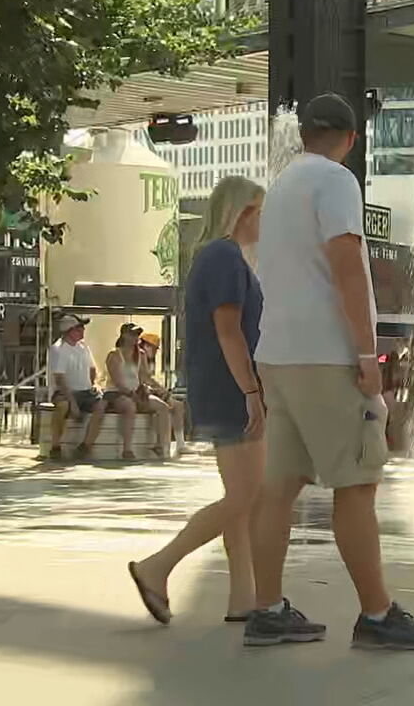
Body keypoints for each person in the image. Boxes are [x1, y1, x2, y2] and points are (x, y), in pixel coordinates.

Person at [246, 93, 414, 650]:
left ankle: (266, 609)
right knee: (359, 483)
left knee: (279, 487)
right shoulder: (335, 180)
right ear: (352, 140)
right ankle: (377, 615)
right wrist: (366, 356)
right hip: (324, 354)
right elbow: (347, 268)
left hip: (278, 354)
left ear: (304, 133)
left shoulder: (282, 185)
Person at [128, 175, 267, 624]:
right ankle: (158, 565)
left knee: (242, 498)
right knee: (247, 497)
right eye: (261, 211)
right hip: (231, 388)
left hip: (220, 385)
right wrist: (252, 392)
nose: (266, 221)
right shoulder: (225, 257)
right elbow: (229, 331)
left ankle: (244, 599)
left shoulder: (215, 256)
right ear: (242, 211)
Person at [47, 313, 110, 461]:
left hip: (86, 391)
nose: (82, 331)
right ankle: (55, 446)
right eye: (78, 328)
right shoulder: (58, 349)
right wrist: (73, 403)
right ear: (68, 330)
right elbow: (60, 378)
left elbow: (92, 368)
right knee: (62, 406)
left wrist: (94, 384)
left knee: (102, 405)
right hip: (65, 392)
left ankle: (86, 446)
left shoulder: (83, 347)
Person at [99, 323, 146, 460]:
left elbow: (144, 376)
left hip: (136, 391)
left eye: (137, 335)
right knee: (130, 406)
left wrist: (157, 389)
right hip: (115, 393)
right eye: (132, 334)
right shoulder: (114, 355)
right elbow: (118, 383)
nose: (136, 338)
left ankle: (163, 447)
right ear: (124, 335)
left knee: (162, 407)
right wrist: (133, 395)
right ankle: (127, 449)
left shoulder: (141, 354)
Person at [138, 332, 186, 452]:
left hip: (151, 392)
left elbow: (150, 379)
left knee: (179, 406)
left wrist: (160, 390)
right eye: (154, 348)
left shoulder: (150, 361)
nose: (155, 352)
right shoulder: (139, 356)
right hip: (140, 393)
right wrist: (159, 389)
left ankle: (180, 444)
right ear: (146, 346)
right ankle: (163, 446)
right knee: (164, 407)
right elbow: (143, 379)